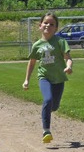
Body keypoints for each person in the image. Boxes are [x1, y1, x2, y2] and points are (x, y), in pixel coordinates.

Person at [22, 12, 73, 144]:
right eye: (45, 23)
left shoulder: (60, 42)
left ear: (56, 28)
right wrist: (27, 79)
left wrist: (68, 67)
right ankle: (46, 131)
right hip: (44, 77)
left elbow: (68, 58)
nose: (48, 26)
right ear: (40, 25)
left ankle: (47, 110)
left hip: (59, 79)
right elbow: (32, 62)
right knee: (48, 99)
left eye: (52, 24)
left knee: (54, 106)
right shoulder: (37, 45)